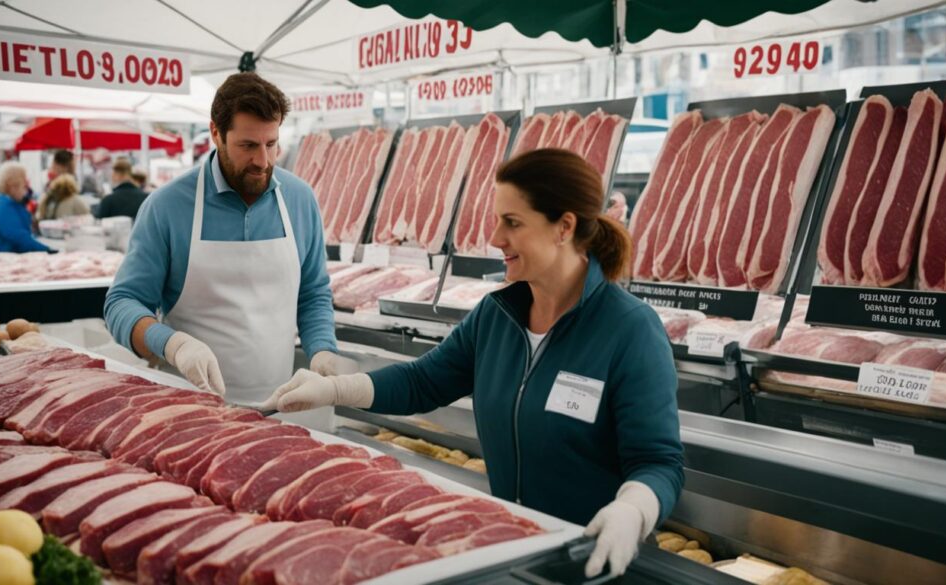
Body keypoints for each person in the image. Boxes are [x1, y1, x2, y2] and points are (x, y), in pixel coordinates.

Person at [265, 149, 684, 578]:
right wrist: (336, 390)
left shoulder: (630, 329)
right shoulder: (497, 315)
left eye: (512, 222)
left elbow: (659, 462)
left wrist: (633, 511)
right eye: (497, 219)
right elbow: (423, 382)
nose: (496, 237)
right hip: (515, 552)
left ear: (565, 227)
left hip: (596, 561)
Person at [104, 72, 353, 402]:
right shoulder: (167, 206)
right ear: (215, 133)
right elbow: (121, 303)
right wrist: (173, 344)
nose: (262, 161)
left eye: (271, 144)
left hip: (280, 406)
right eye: (247, 146)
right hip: (191, 408)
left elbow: (312, 292)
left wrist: (322, 349)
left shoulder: (300, 199)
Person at [0, 162, 53, 255]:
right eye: (24, 186)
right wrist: (48, 250)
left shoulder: (0, 199)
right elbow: (19, 237)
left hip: (3, 257)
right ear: (13, 186)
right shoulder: (3, 205)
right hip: (0, 259)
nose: (26, 191)